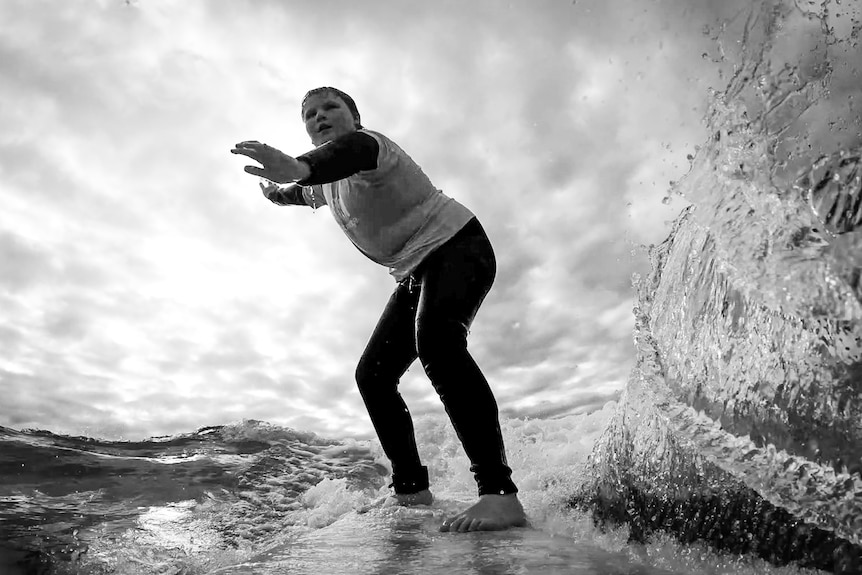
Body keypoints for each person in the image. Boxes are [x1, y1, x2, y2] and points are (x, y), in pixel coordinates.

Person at [230, 87, 527, 533]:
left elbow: (342, 155)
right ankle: (411, 489)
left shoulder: (372, 148)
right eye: (310, 114)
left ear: (355, 116)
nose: (320, 117)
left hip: (458, 246)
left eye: (331, 108)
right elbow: (301, 192)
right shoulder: (325, 184)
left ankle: (500, 495)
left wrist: (297, 167)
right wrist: (276, 192)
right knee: (372, 375)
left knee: (439, 345)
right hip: (414, 271)